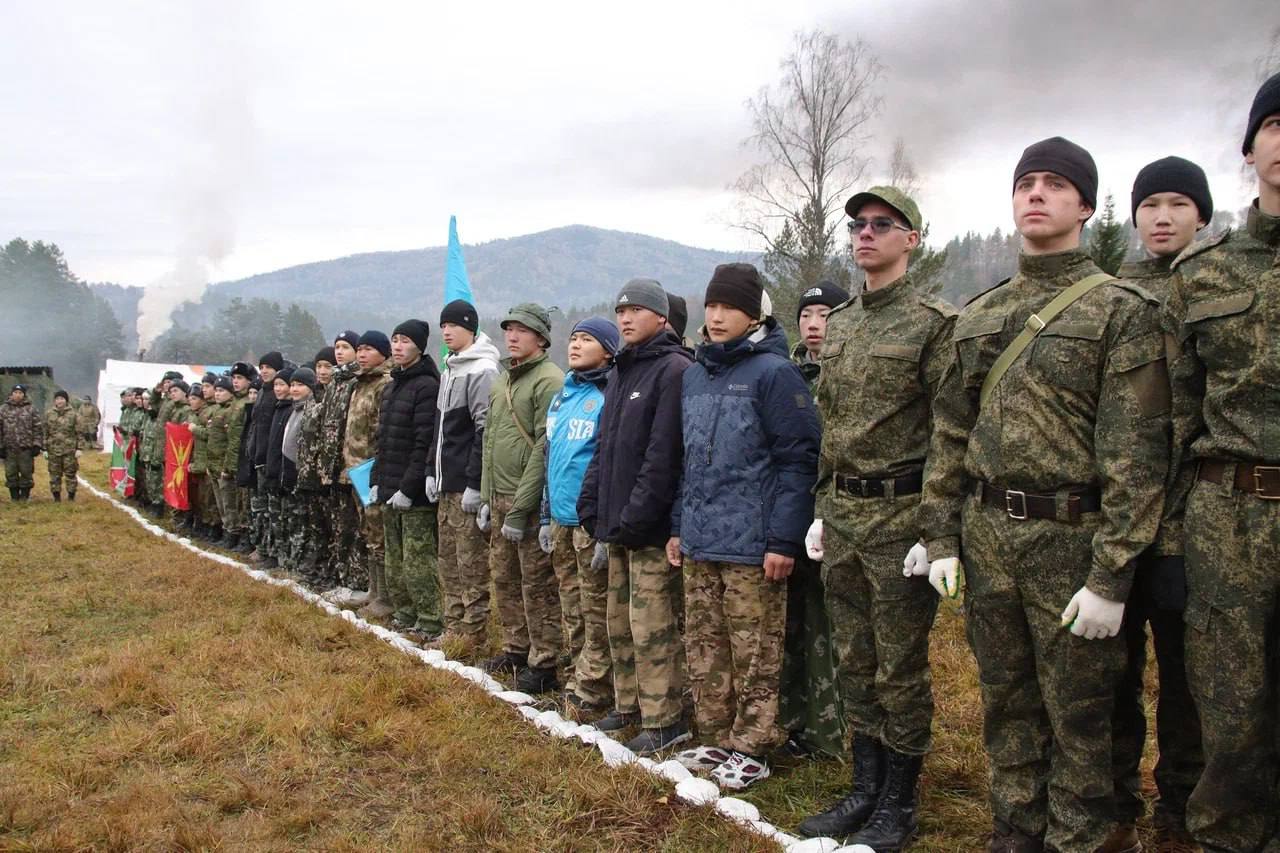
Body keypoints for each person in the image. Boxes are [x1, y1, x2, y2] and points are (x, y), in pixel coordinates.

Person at [920, 137, 1171, 853]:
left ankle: (1082, 838)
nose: (1036, 193)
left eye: (1055, 184)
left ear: (1085, 205)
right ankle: (1017, 830)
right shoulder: (981, 313)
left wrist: (1111, 574)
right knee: (1007, 701)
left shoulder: (1121, 310)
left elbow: (1136, 455)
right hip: (988, 532)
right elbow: (949, 434)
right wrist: (940, 535)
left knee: (1084, 711)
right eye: (1025, 182)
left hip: (1072, 538)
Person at [797, 188, 954, 846]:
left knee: (900, 666)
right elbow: (833, 425)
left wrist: (937, 529)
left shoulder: (934, 321)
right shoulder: (846, 322)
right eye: (858, 224)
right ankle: (864, 786)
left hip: (901, 517)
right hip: (845, 513)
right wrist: (821, 506)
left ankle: (900, 799)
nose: (865, 234)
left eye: (881, 225)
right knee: (855, 661)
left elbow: (952, 431)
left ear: (910, 239)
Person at [1165, 71, 1280, 853]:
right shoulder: (1202, 277)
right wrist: (1171, 542)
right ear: (1250, 148)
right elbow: (1169, 421)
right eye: (1277, 123)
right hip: (1227, 516)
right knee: (1232, 712)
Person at [665, 263, 819, 789]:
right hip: (702, 538)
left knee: (756, 650)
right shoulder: (694, 375)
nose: (716, 316)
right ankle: (714, 737)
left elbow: (799, 460)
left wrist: (783, 538)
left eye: (729, 307)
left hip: (754, 545)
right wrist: (678, 526)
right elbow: (687, 460)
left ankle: (752, 746)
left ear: (753, 313)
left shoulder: (775, 374)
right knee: (706, 646)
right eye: (711, 306)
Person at [1109, 156, 1212, 851]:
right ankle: (1115, 799)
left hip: (1191, 523)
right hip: (1114, 523)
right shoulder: (1112, 295)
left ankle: (1179, 804)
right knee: (1111, 674)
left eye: (1178, 203)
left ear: (1201, 215)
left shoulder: (1215, 289)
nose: (1163, 216)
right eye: (1150, 204)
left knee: (1186, 681)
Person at [578, 278, 693, 755]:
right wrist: (592, 503)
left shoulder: (673, 369)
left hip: (646, 529)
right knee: (618, 623)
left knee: (652, 628)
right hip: (617, 526)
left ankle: (665, 718)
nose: (625, 318)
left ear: (661, 318)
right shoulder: (623, 370)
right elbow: (605, 448)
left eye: (637, 310)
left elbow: (663, 456)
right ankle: (630, 706)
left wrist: (636, 516)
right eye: (620, 311)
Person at [478, 303, 565, 694]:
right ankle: (516, 648)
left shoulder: (549, 381)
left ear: (541, 338)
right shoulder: (502, 381)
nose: (511, 336)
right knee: (505, 578)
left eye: (521, 331)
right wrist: (485, 496)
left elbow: (543, 448)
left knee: (536, 583)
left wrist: (520, 507)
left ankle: (544, 661)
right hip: (498, 495)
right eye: (508, 329)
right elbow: (490, 441)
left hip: (524, 501)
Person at [782, 279, 849, 761]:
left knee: (827, 627)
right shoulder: (786, 374)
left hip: (836, 517)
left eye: (824, 313)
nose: (813, 323)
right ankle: (791, 718)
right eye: (807, 314)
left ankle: (828, 730)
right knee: (790, 623)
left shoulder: (847, 371)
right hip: (789, 514)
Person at [541, 316, 618, 711]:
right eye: (572, 338)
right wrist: (543, 514)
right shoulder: (563, 395)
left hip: (588, 522)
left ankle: (596, 688)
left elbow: (606, 463)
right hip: (559, 519)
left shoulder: (609, 394)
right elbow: (550, 454)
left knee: (595, 607)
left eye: (586, 339)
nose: (575, 345)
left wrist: (603, 526)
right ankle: (576, 674)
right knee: (570, 605)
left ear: (607, 349)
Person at [429, 300, 500, 654]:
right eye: (443, 325)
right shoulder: (450, 368)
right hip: (444, 483)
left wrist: (475, 482)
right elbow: (440, 429)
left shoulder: (482, 370)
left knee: (470, 561)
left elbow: (483, 431)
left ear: (470, 328)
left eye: (454, 325)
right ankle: (453, 624)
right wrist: (432, 471)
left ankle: (474, 632)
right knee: (448, 559)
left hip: (464, 485)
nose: (446, 331)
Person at [373, 319, 443, 640]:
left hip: (412, 493)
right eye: (395, 340)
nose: (398, 346)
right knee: (394, 556)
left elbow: (423, 441)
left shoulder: (427, 386)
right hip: (388, 486)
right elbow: (383, 440)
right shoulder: (391, 387)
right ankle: (404, 611)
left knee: (417, 558)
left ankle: (429, 617)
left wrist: (408, 487)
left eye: (405, 341)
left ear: (419, 346)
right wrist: (376, 479)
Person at [343, 331, 394, 618]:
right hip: (355, 470)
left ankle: (385, 598)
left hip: (372, 471)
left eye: (369, 349)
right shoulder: (359, 384)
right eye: (359, 349)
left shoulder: (383, 385)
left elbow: (380, 431)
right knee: (367, 531)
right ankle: (374, 591)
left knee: (379, 535)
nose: (361, 354)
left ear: (383, 354)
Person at [320, 331, 365, 595]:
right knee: (339, 526)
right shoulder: (335, 382)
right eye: (337, 347)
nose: (339, 352)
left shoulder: (355, 382)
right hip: (333, 468)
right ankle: (342, 576)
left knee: (355, 528)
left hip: (352, 467)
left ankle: (358, 581)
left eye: (345, 347)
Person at [293, 350, 335, 587]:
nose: (322, 371)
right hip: (310, 473)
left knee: (332, 528)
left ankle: (331, 574)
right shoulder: (314, 398)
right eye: (319, 366)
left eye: (327, 366)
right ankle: (318, 570)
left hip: (329, 475)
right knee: (316, 526)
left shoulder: (337, 394)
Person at [248, 352, 285, 557]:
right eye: (261, 367)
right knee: (259, 508)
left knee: (272, 510)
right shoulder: (262, 391)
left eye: (268, 367)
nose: (264, 371)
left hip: (271, 460)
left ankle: (272, 552)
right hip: (258, 458)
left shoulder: (277, 394)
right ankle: (261, 547)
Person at [261, 368, 295, 570]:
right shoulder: (278, 408)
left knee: (286, 520)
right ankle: (276, 556)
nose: (278, 389)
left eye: (283, 384)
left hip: (285, 474)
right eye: (276, 385)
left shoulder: (291, 410)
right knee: (275, 519)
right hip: (273, 471)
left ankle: (286, 561)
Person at [1, 384, 43, 502]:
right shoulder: (3, 409)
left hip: (26, 449)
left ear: (24, 394)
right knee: (11, 473)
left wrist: (37, 444)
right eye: (15, 392)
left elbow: (37, 428)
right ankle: (14, 497)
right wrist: (1, 447)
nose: (17, 395)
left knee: (26, 473)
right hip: (9, 449)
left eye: (20, 393)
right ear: (11, 394)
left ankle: (25, 497)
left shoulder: (31, 409)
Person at [187, 384, 216, 539]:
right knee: (199, 497)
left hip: (206, 460)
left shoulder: (209, 412)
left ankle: (212, 527)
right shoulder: (193, 414)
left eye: (194, 398)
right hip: (196, 459)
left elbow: (211, 434)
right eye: (190, 398)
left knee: (208, 498)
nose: (191, 401)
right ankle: (201, 523)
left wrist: (194, 429)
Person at [43, 389, 82, 503]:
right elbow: (45, 431)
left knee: (70, 473)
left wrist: (79, 448)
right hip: (53, 450)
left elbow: (79, 432)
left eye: (62, 399)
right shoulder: (49, 414)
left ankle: (71, 496)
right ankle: (56, 497)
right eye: (57, 399)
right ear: (54, 401)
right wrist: (44, 448)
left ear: (66, 400)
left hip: (69, 450)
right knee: (54, 474)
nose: (59, 401)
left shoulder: (74, 414)